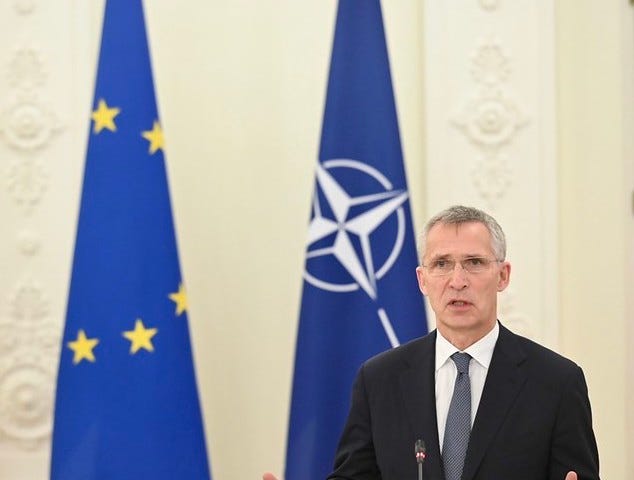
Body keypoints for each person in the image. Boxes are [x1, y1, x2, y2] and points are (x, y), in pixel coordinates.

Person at [265, 205, 599, 480]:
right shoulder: (379, 379)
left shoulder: (556, 382)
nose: (457, 281)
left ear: (503, 275)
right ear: (423, 280)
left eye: (474, 263)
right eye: (441, 264)